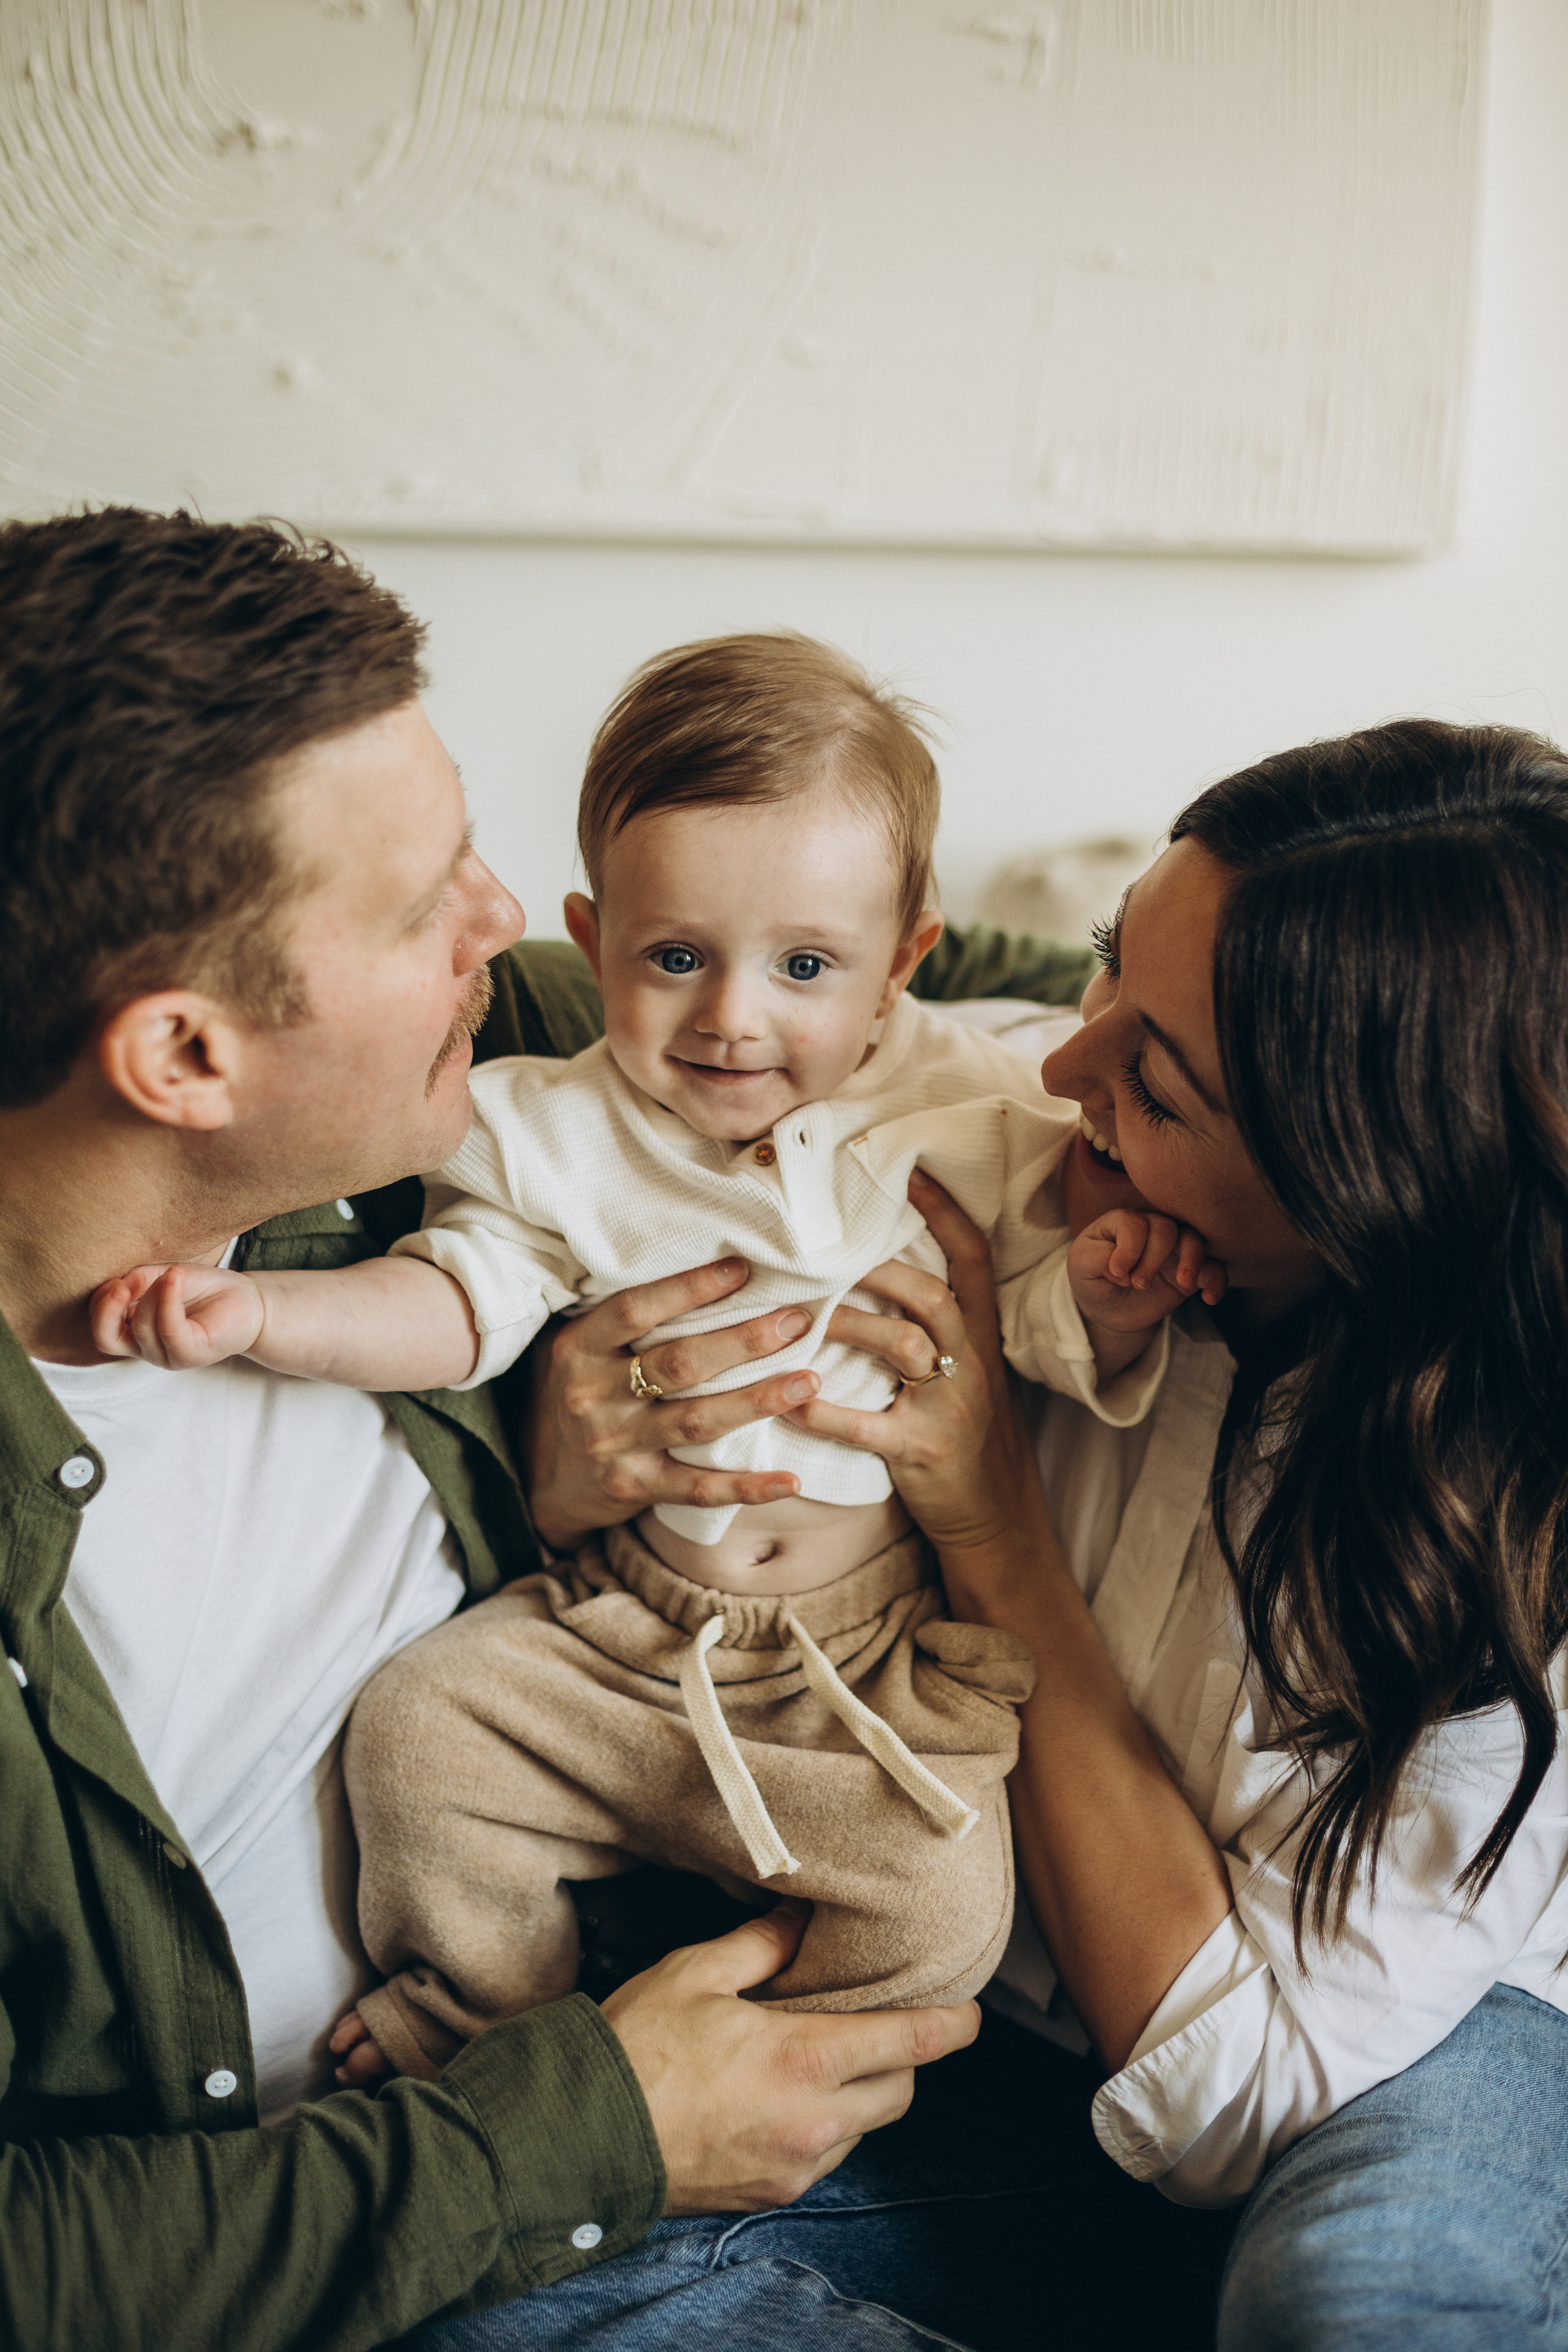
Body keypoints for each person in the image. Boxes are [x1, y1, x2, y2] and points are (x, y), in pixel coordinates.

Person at [2, 508, 1102, 2352]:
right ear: (184, 1059)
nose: (507, 928)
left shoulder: (378, 1083)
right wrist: (578, 2128)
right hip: (414, 2215)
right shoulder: (462, 1105)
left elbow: (922, 961)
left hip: (743, 1952)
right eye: (431, 897)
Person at [467, 715, 1568, 2352]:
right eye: (1108, 966)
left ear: (1367, 1183)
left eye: (1161, 1079)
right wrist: (567, 1442)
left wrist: (995, 1531)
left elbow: (1235, 2097)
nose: (1064, 1064)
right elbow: (657, 998)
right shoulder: (985, 1113)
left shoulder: (1499, 1496)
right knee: (469, 2281)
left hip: (1393, 2044)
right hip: (999, 2044)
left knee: (1362, 2310)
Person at [92, 633, 1218, 2074]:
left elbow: (1029, 1324)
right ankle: (488, 2013)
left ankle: (782, 2064)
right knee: (421, 1738)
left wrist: (1108, 1300)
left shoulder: (975, 1101)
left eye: (805, 964)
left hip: (859, 1656)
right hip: (612, 1627)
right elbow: (454, 1303)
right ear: (591, 929)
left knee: (943, 1903)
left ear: (902, 964)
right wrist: (262, 1320)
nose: (732, 1017)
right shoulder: (551, 1124)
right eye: (674, 957)